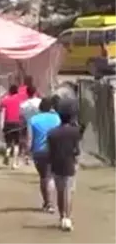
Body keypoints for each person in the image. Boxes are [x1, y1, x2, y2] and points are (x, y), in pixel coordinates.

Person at [47, 99, 81, 232]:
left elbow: (50, 151)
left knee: (60, 191)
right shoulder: (75, 131)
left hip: (56, 164)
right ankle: (68, 217)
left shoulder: (52, 133)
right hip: (69, 163)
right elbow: (77, 150)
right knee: (68, 191)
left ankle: (62, 216)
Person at [28, 97, 60, 213]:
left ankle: (47, 202)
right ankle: (50, 203)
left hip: (39, 151)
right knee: (50, 177)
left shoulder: (33, 119)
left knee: (44, 177)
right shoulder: (57, 118)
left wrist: (28, 151)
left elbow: (29, 138)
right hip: (55, 150)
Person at [0, 84, 24, 168]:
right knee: (17, 144)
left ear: (10, 91)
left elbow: (1, 108)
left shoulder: (6, 100)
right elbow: (21, 110)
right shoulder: (19, 100)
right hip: (17, 123)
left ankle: (7, 153)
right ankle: (14, 163)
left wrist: (2, 124)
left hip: (8, 123)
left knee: (8, 143)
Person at [20, 85, 41, 164]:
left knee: (29, 141)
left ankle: (27, 157)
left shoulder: (24, 104)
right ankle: (37, 156)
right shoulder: (40, 102)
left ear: (27, 93)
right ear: (35, 92)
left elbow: (21, 115)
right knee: (40, 139)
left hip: (30, 123)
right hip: (40, 123)